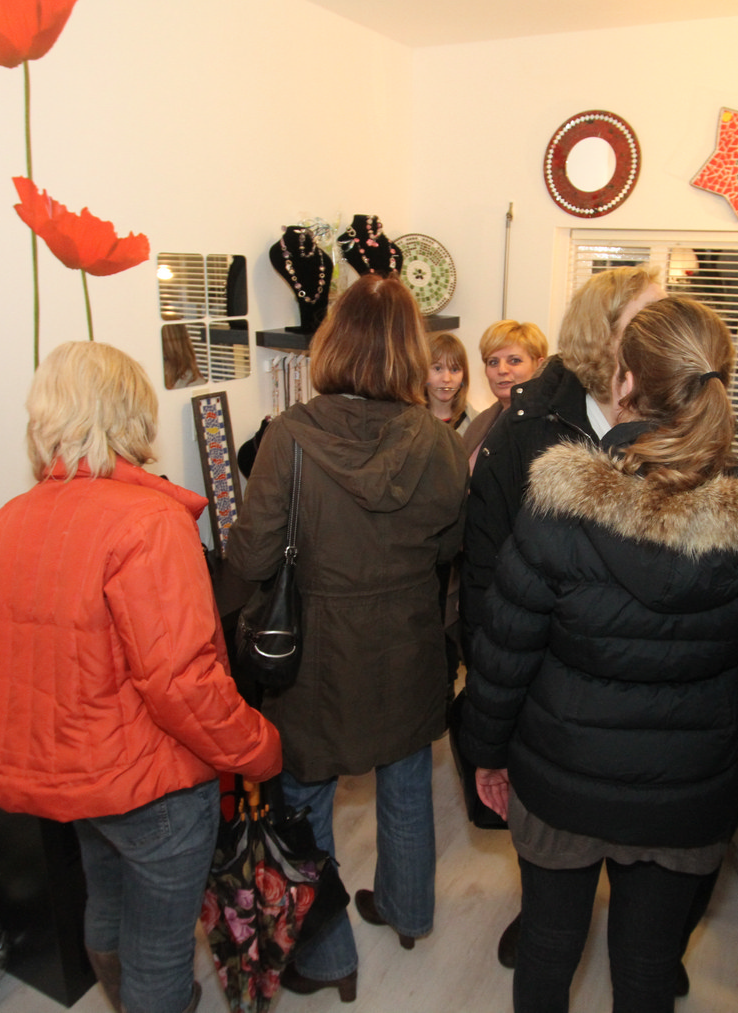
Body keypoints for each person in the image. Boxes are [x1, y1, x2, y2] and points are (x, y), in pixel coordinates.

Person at [460, 297, 738, 1013]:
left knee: (547, 948)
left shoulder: (561, 503)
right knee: (648, 968)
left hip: (560, 778)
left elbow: (503, 654)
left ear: (624, 383)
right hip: (687, 790)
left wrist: (486, 755)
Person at [0, 341, 282, 1013]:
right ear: (131, 414)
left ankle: (121, 996)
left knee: (105, 897)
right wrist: (257, 746)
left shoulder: (15, 516)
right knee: (160, 944)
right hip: (147, 780)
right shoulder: (148, 521)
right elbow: (180, 679)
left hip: (71, 772)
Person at [228, 273, 469, 1003]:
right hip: (406, 642)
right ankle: (408, 911)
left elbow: (252, 557)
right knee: (406, 780)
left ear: (332, 343)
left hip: (318, 653)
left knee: (304, 800)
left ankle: (330, 955)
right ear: (409, 352)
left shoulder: (288, 437)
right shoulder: (437, 438)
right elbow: (449, 544)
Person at [459, 265, 664, 968]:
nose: (664, 330)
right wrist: (490, 697)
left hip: (650, 683)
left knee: (645, 866)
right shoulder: (524, 427)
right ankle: (545, 914)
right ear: (602, 335)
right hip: (550, 683)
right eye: (647, 318)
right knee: (550, 845)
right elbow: (485, 571)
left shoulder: (680, 421)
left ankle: (647, 940)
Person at [459, 319, 548, 467]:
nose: (502, 370)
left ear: (539, 365)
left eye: (514, 361)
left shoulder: (547, 425)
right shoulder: (480, 422)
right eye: (493, 362)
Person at [426, 330, 472, 430]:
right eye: (438, 368)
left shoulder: (479, 424)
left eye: (454, 370)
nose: (446, 379)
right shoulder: (407, 422)